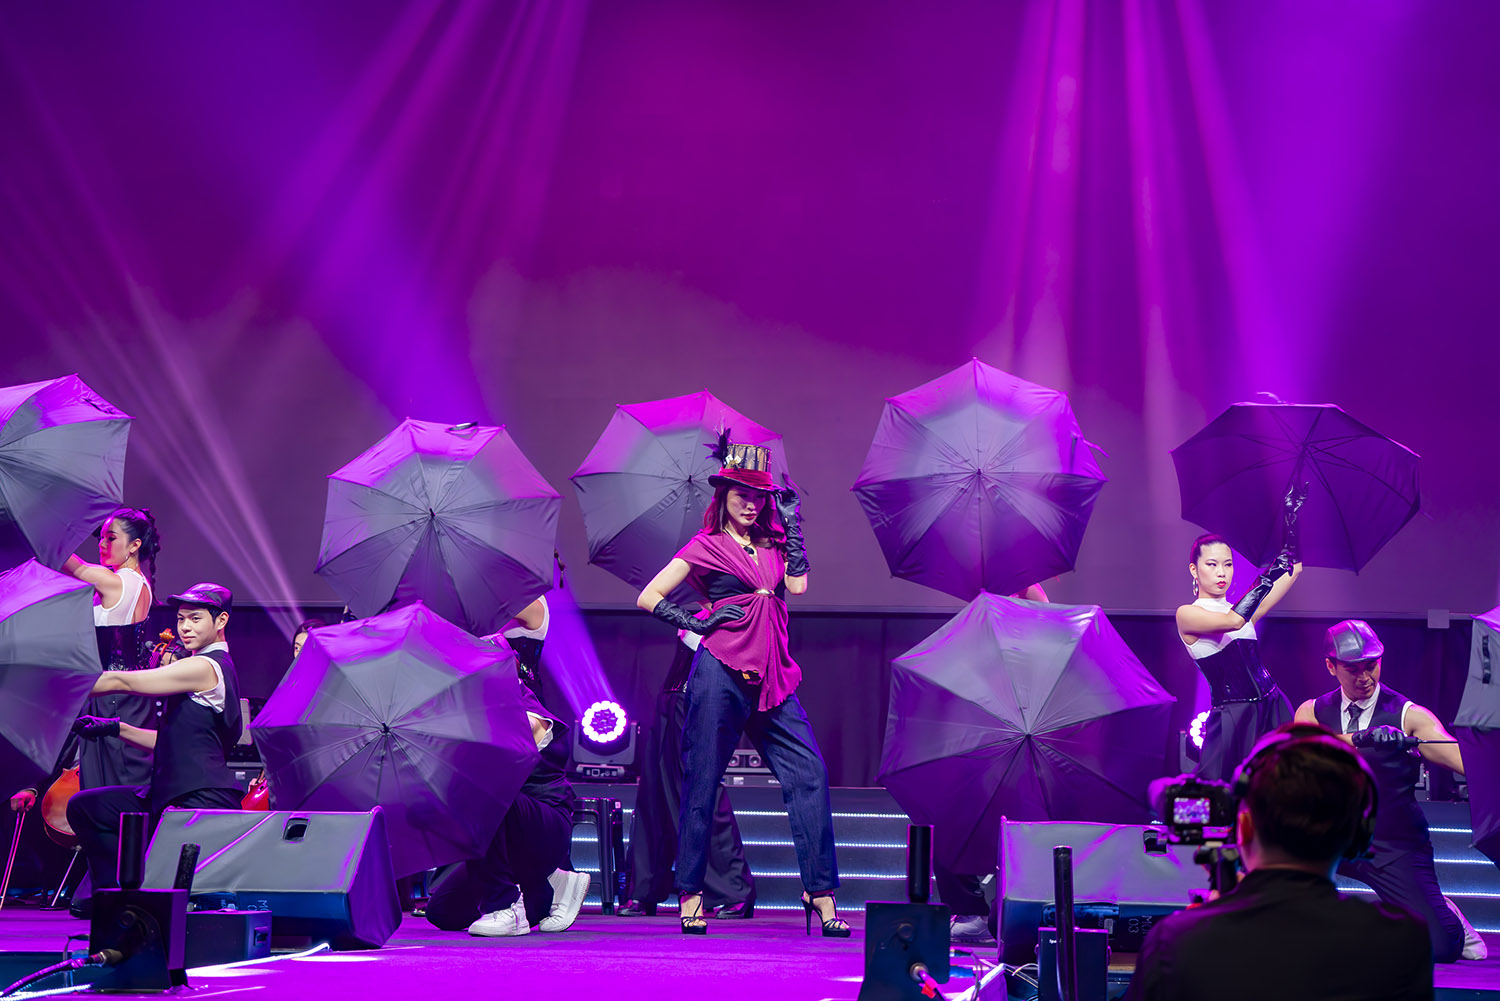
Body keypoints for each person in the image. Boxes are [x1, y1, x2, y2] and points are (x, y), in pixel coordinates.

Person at [636, 437, 847, 937]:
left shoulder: (774, 544)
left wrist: (793, 526)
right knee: (702, 779)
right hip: (721, 670)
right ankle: (691, 892)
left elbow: (797, 587)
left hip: (772, 672)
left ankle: (819, 892)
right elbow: (648, 595)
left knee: (810, 775)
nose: (751, 504)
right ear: (724, 495)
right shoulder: (705, 545)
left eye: (758, 496)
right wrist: (697, 623)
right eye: (742, 495)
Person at [1125, 723, 1433, 1001]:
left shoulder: (1176, 943)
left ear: (1244, 827)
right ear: (1357, 835)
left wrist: (1209, 921)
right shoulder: (1401, 941)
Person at [1294, 618, 1487, 963]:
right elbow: (1304, 750)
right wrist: (1362, 738)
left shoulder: (1409, 716)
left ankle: (1447, 915)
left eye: (1371, 666)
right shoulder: (1312, 711)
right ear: (1331, 666)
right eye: (1353, 669)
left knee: (1441, 947)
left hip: (1393, 843)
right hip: (1332, 838)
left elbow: (1460, 759)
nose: (1365, 677)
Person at [66, 583, 245, 910]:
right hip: (170, 794)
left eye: (195, 619)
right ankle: (118, 900)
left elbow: (122, 681)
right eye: (181, 619)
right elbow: (175, 743)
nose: (185, 627)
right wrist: (116, 728)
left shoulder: (205, 666)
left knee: (184, 899)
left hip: (199, 797)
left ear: (221, 621)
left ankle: (128, 904)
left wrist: (59, 685)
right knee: (88, 807)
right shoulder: (200, 665)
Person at [8, 509, 164, 815]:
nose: (102, 544)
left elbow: (73, 565)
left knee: (113, 791)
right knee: (110, 790)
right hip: (119, 696)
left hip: (113, 697)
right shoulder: (131, 583)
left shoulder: (119, 582)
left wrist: (38, 525)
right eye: (101, 538)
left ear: (135, 545)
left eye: (111, 538)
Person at [423, 681, 584, 937]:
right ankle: (551, 885)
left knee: (480, 791)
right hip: (501, 842)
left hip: (544, 828)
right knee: (443, 911)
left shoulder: (526, 712)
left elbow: (521, 735)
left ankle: (505, 906)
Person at [620, 629, 757, 918]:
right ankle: (645, 888)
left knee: (701, 790)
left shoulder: (734, 610)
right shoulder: (695, 609)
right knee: (654, 793)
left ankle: (733, 888)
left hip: (703, 699)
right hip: (671, 699)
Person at [1175, 486, 1306, 781]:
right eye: (1211, 565)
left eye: (1228, 564)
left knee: (1284, 786)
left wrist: (1291, 519)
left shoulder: (1242, 612)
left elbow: (1294, 569)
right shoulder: (1187, 614)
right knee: (1225, 790)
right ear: (1194, 570)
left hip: (1273, 706)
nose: (1221, 572)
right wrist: (1268, 575)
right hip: (1234, 717)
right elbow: (1233, 621)